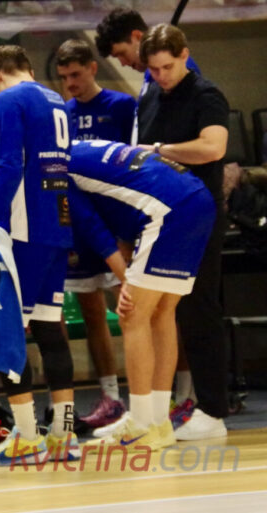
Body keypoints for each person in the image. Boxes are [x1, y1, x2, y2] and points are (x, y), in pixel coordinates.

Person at [68, 139, 216, 451]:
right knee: (163, 314)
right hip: (198, 199)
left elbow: (92, 226)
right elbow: (123, 200)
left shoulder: (54, 168)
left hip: (166, 210)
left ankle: (140, 424)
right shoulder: (81, 147)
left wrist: (125, 279)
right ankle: (158, 422)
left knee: (132, 315)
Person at [0, 45, 80, 466]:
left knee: (8, 331)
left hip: (24, 230)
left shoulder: (9, 98)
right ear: (30, 68)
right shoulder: (56, 99)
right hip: (58, 225)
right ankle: (64, 436)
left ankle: (27, 437)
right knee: (51, 329)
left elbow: (8, 167)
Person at [136, 24, 230, 441]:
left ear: (184, 55)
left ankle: (213, 410)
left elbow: (213, 148)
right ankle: (154, 410)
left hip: (200, 215)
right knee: (160, 313)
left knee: (199, 310)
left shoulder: (206, 95)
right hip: (161, 218)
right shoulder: (150, 97)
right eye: (154, 69)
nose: (161, 76)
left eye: (167, 67)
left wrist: (160, 151)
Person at [55, 38, 135, 428]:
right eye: (63, 77)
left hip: (119, 221)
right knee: (92, 314)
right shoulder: (63, 113)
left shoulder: (122, 105)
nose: (70, 83)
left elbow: (138, 166)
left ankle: (159, 396)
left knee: (136, 309)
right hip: (81, 223)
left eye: (75, 74)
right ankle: (111, 399)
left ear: (92, 68)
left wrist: (128, 229)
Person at [94, 7, 200, 145]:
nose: (123, 63)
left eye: (122, 53)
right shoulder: (151, 75)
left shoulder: (180, 71)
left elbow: (182, 131)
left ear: (137, 36)